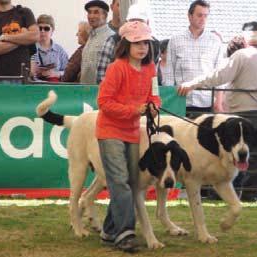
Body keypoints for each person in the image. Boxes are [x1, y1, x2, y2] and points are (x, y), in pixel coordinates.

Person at [177, 21, 257, 202]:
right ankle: (250, 195)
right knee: (255, 155)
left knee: (229, 151)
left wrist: (194, 83)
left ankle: (222, 192)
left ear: (245, 37)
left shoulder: (240, 56)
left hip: (239, 115)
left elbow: (219, 76)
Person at [97, 21, 161, 253]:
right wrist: (135, 110)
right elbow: (104, 103)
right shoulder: (117, 68)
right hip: (110, 131)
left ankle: (108, 231)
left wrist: (154, 106)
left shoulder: (151, 68)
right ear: (126, 44)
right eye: (136, 42)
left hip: (132, 132)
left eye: (145, 42)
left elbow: (155, 96)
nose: (142, 47)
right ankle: (125, 234)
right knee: (120, 181)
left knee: (129, 183)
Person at [162, 0, 223, 117]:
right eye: (199, 15)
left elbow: (219, 73)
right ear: (190, 16)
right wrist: (169, 100)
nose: (203, 19)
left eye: (206, 16)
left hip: (206, 101)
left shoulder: (215, 41)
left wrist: (219, 101)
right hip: (180, 100)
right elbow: (169, 74)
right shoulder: (175, 40)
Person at [95, 2, 156, 84]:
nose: (137, 26)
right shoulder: (116, 66)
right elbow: (102, 79)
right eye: (136, 42)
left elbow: (153, 91)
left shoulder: (152, 63)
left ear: (147, 23)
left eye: (145, 43)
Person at [0, 0, 39, 82]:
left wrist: (5, 37)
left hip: (24, 79)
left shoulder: (24, 12)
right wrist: (23, 37)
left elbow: (35, 35)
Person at [80, 0, 114, 84]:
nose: (91, 16)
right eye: (89, 12)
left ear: (105, 15)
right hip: (84, 91)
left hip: (101, 92)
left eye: (96, 12)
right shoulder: (90, 37)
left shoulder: (111, 37)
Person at [30, 14, 69, 82]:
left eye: (46, 28)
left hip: (55, 87)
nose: (42, 31)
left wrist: (57, 74)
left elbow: (68, 71)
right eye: (40, 28)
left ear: (52, 30)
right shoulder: (30, 48)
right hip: (35, 86)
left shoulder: (59, 50)